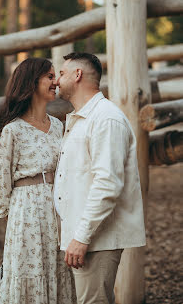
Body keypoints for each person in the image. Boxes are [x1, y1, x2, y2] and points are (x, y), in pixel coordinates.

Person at [54, 52, 146, 304]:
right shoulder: (82, 118)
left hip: (97, 238)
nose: (56, 80)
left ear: (78, 75)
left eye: (62, 73)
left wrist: (81, 237)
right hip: (84, 236)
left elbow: (107, 185)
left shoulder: (106, 119)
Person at [0, 58, 76, 304]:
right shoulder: (12, 130)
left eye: (55, 76)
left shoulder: (59, 126)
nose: (55, 82)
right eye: (49, 77)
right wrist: (14, 216)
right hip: (26, 213)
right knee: (30, 272)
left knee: (58, 270)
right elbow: (1, 180)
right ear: (32, 82)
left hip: (59, 211)